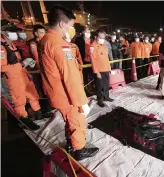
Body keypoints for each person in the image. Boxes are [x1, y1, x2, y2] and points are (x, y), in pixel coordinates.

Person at [39, 5, 99, 160]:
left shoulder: (46, 39)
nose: (71, 29)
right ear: (61, 24)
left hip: (56, 92)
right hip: (67, 94)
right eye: (70, 26)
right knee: (77, 120)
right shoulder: (59, 44)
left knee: (69, 121)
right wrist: (80, 101)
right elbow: (69, 75)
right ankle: (79, 150)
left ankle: (71, 143)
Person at [1, 23, 42, 130]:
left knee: (32, 93)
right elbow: (2, 67)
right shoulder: (1, 47)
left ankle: (38, 113)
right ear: (3, 32)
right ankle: (24, 120)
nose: (14, 34)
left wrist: (27, 64)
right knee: (19, 99)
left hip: (23, 74)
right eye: (11, 32)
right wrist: (22, 64)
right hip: (13, 77)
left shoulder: (12, 45)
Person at [90, 29, 114, 107]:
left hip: (106, 69)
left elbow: (106, 58)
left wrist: (109, 68)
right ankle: (100, 100)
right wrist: (97, 72)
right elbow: (93, 60)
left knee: (106, 85)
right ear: (96, 37)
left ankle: (106, 96)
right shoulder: (93, 46)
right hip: (99, 70)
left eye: (104, 38)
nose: (102, 39)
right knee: (99, 86)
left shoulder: (103, 45)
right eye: (101, 37)